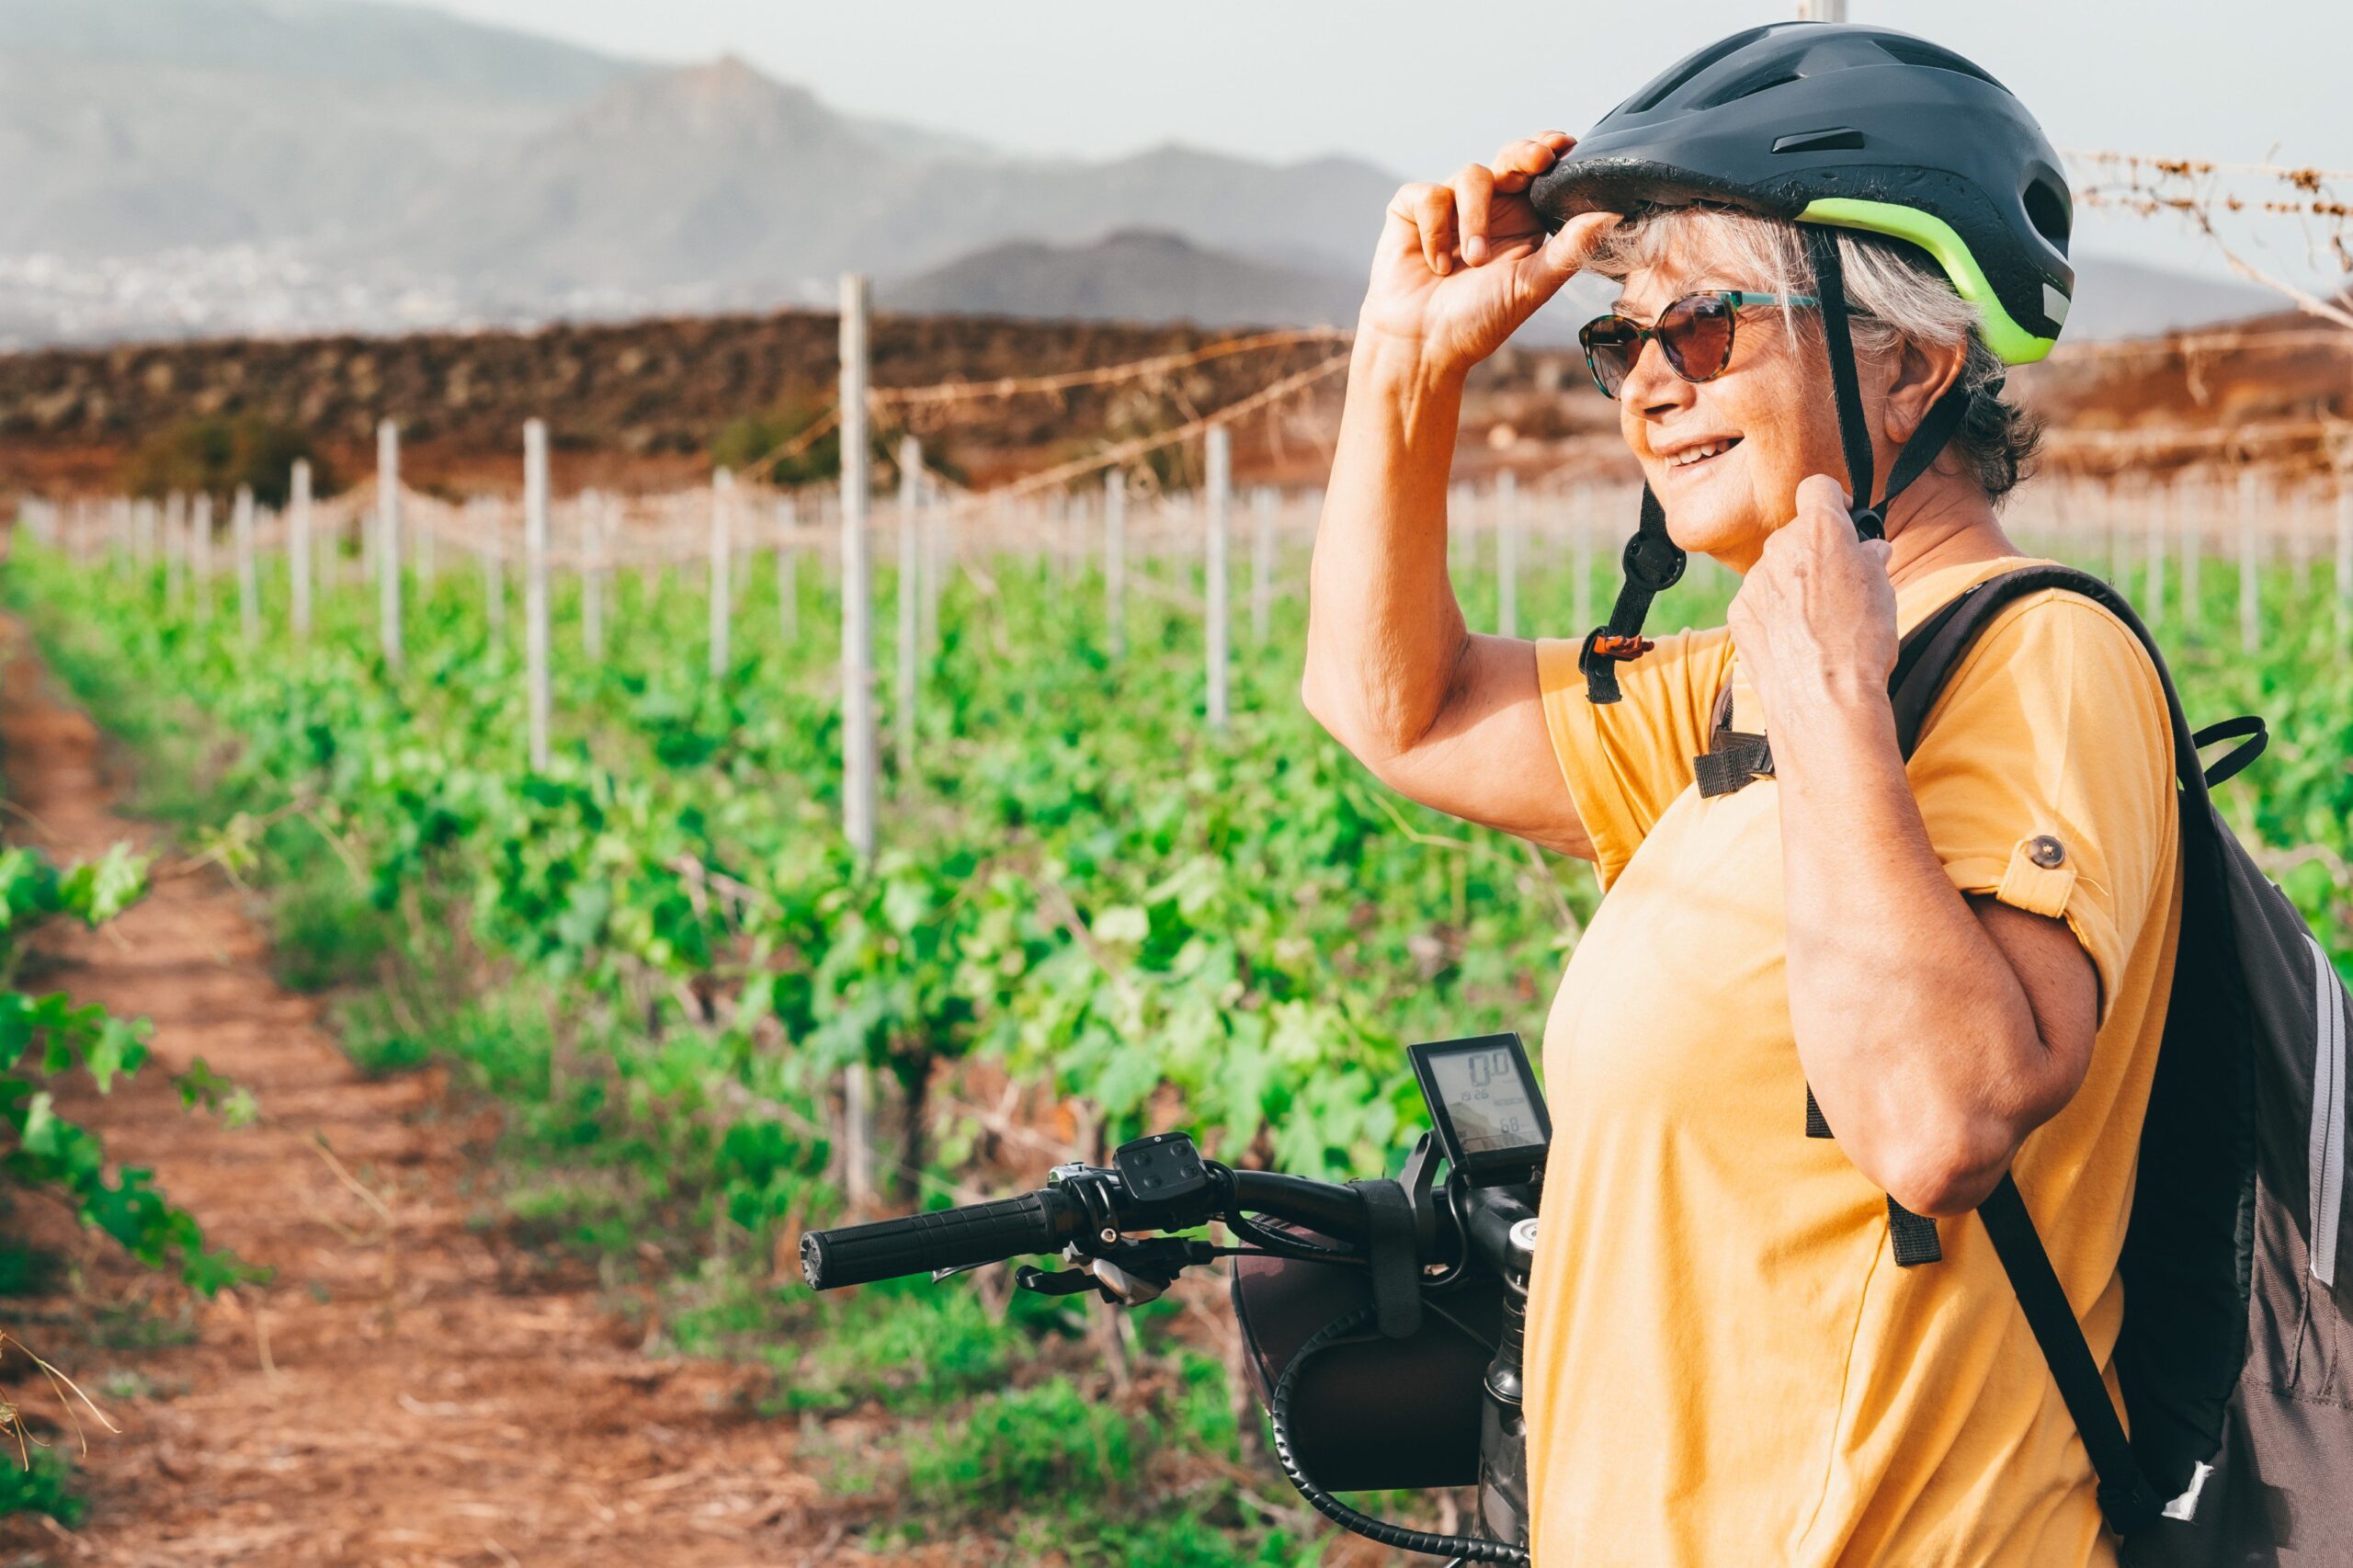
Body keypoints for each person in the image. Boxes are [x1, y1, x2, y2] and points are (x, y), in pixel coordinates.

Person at [1302, 22, 2181, 1567]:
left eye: (1701, 328)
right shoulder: (1738, 685)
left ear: (1913, 357)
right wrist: (1406, 363)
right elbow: (1403, 710)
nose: (1646, 389)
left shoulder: (2034, 657)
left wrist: (1838, 701)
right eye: (1617, 344)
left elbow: (1936, 1120)